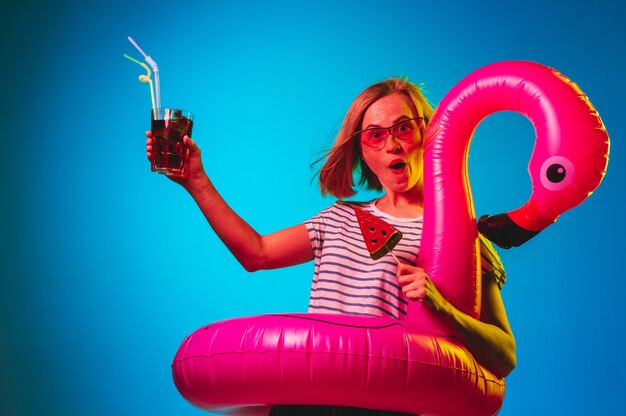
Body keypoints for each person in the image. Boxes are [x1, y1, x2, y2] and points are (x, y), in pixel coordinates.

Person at [146, 78, 516, 416]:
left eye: (403, 128)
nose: (391, 144)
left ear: (428, 132)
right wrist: (195, 180)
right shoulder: (338, 217)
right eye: (374, 135)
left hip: (384, 403)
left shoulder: (459, 238)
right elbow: (255, 252)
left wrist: (443, 308)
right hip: (310, 395)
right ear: (362, 150)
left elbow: (504, 356)